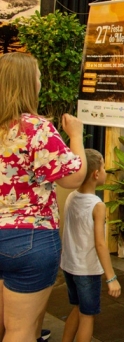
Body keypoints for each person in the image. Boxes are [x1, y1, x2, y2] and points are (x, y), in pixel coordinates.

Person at [0, 52, 86, 341]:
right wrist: (76, 135)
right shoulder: (35, 128)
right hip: (29, 238)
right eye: (37, 77)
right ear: (27, 84)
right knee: (20, 329)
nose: (40, 81)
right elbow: (73, 177)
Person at [60, 149, 122, 342]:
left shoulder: (71, 196)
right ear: (96, 173)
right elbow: (100, 244)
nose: (105, 171)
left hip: (69, 267)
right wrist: (111, 277)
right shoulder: (98, 205)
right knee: (87, 316)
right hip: (86, 271)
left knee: (77, 308)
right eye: (103, 167)